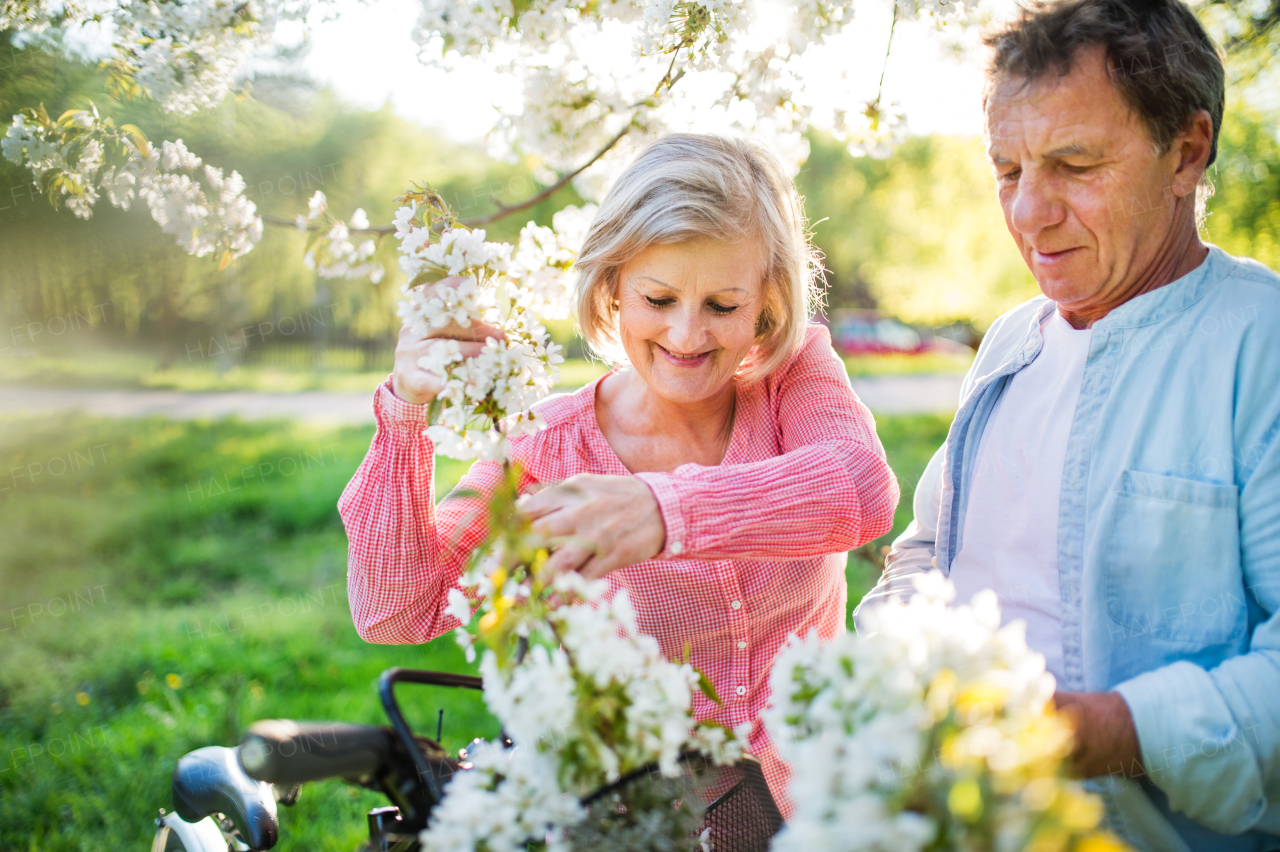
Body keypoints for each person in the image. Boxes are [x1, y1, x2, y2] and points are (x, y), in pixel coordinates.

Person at [339, 133, 901, 808]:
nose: (688, 336)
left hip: (826, 813)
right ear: (611, 289)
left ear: (766, 301)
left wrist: (663, 511)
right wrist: (405, 409)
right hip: (637, 822)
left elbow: (860, 489)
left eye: (722, 306)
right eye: (659, 300)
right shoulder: (547, 448)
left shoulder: (792, 382)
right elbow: (397, 610)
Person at [856, 1, 1280, 849]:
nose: (1026, 214)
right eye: (1007, 171)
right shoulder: (1014, 340)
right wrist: (896, 667)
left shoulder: (1259, 346)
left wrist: (1100, 732)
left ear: (1186, 153)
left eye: (1074, 164)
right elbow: (928, 552)